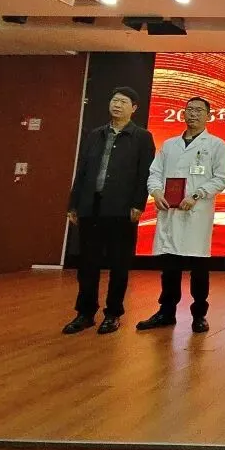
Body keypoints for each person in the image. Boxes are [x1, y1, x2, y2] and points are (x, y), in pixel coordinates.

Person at [62, 86, 155, 335]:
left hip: (122, 210)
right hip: (90, 207)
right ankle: (85, 313)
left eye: (123, 102)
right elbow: (82, 171)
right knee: (87, 264)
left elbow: (145, 174)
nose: (117, 105)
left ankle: (113, 314)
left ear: (134, 108)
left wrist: (138, 204)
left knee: (119, 264)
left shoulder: (142, 137)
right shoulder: (95, 135)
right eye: (114, 100)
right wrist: (74, 204)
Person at [137, 96, 225, 334]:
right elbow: (154, 173)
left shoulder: (216, 145)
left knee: (198, 268)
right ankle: (166, 311)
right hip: (170, 212)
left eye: (199, 110)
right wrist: (156, 192)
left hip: (196, 214)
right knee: (169, 266)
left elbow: (221, 178)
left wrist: (197, 195)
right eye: (189, 109)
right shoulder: (169, 145)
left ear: (209, 116)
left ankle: (199, 314)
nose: (193, 114)